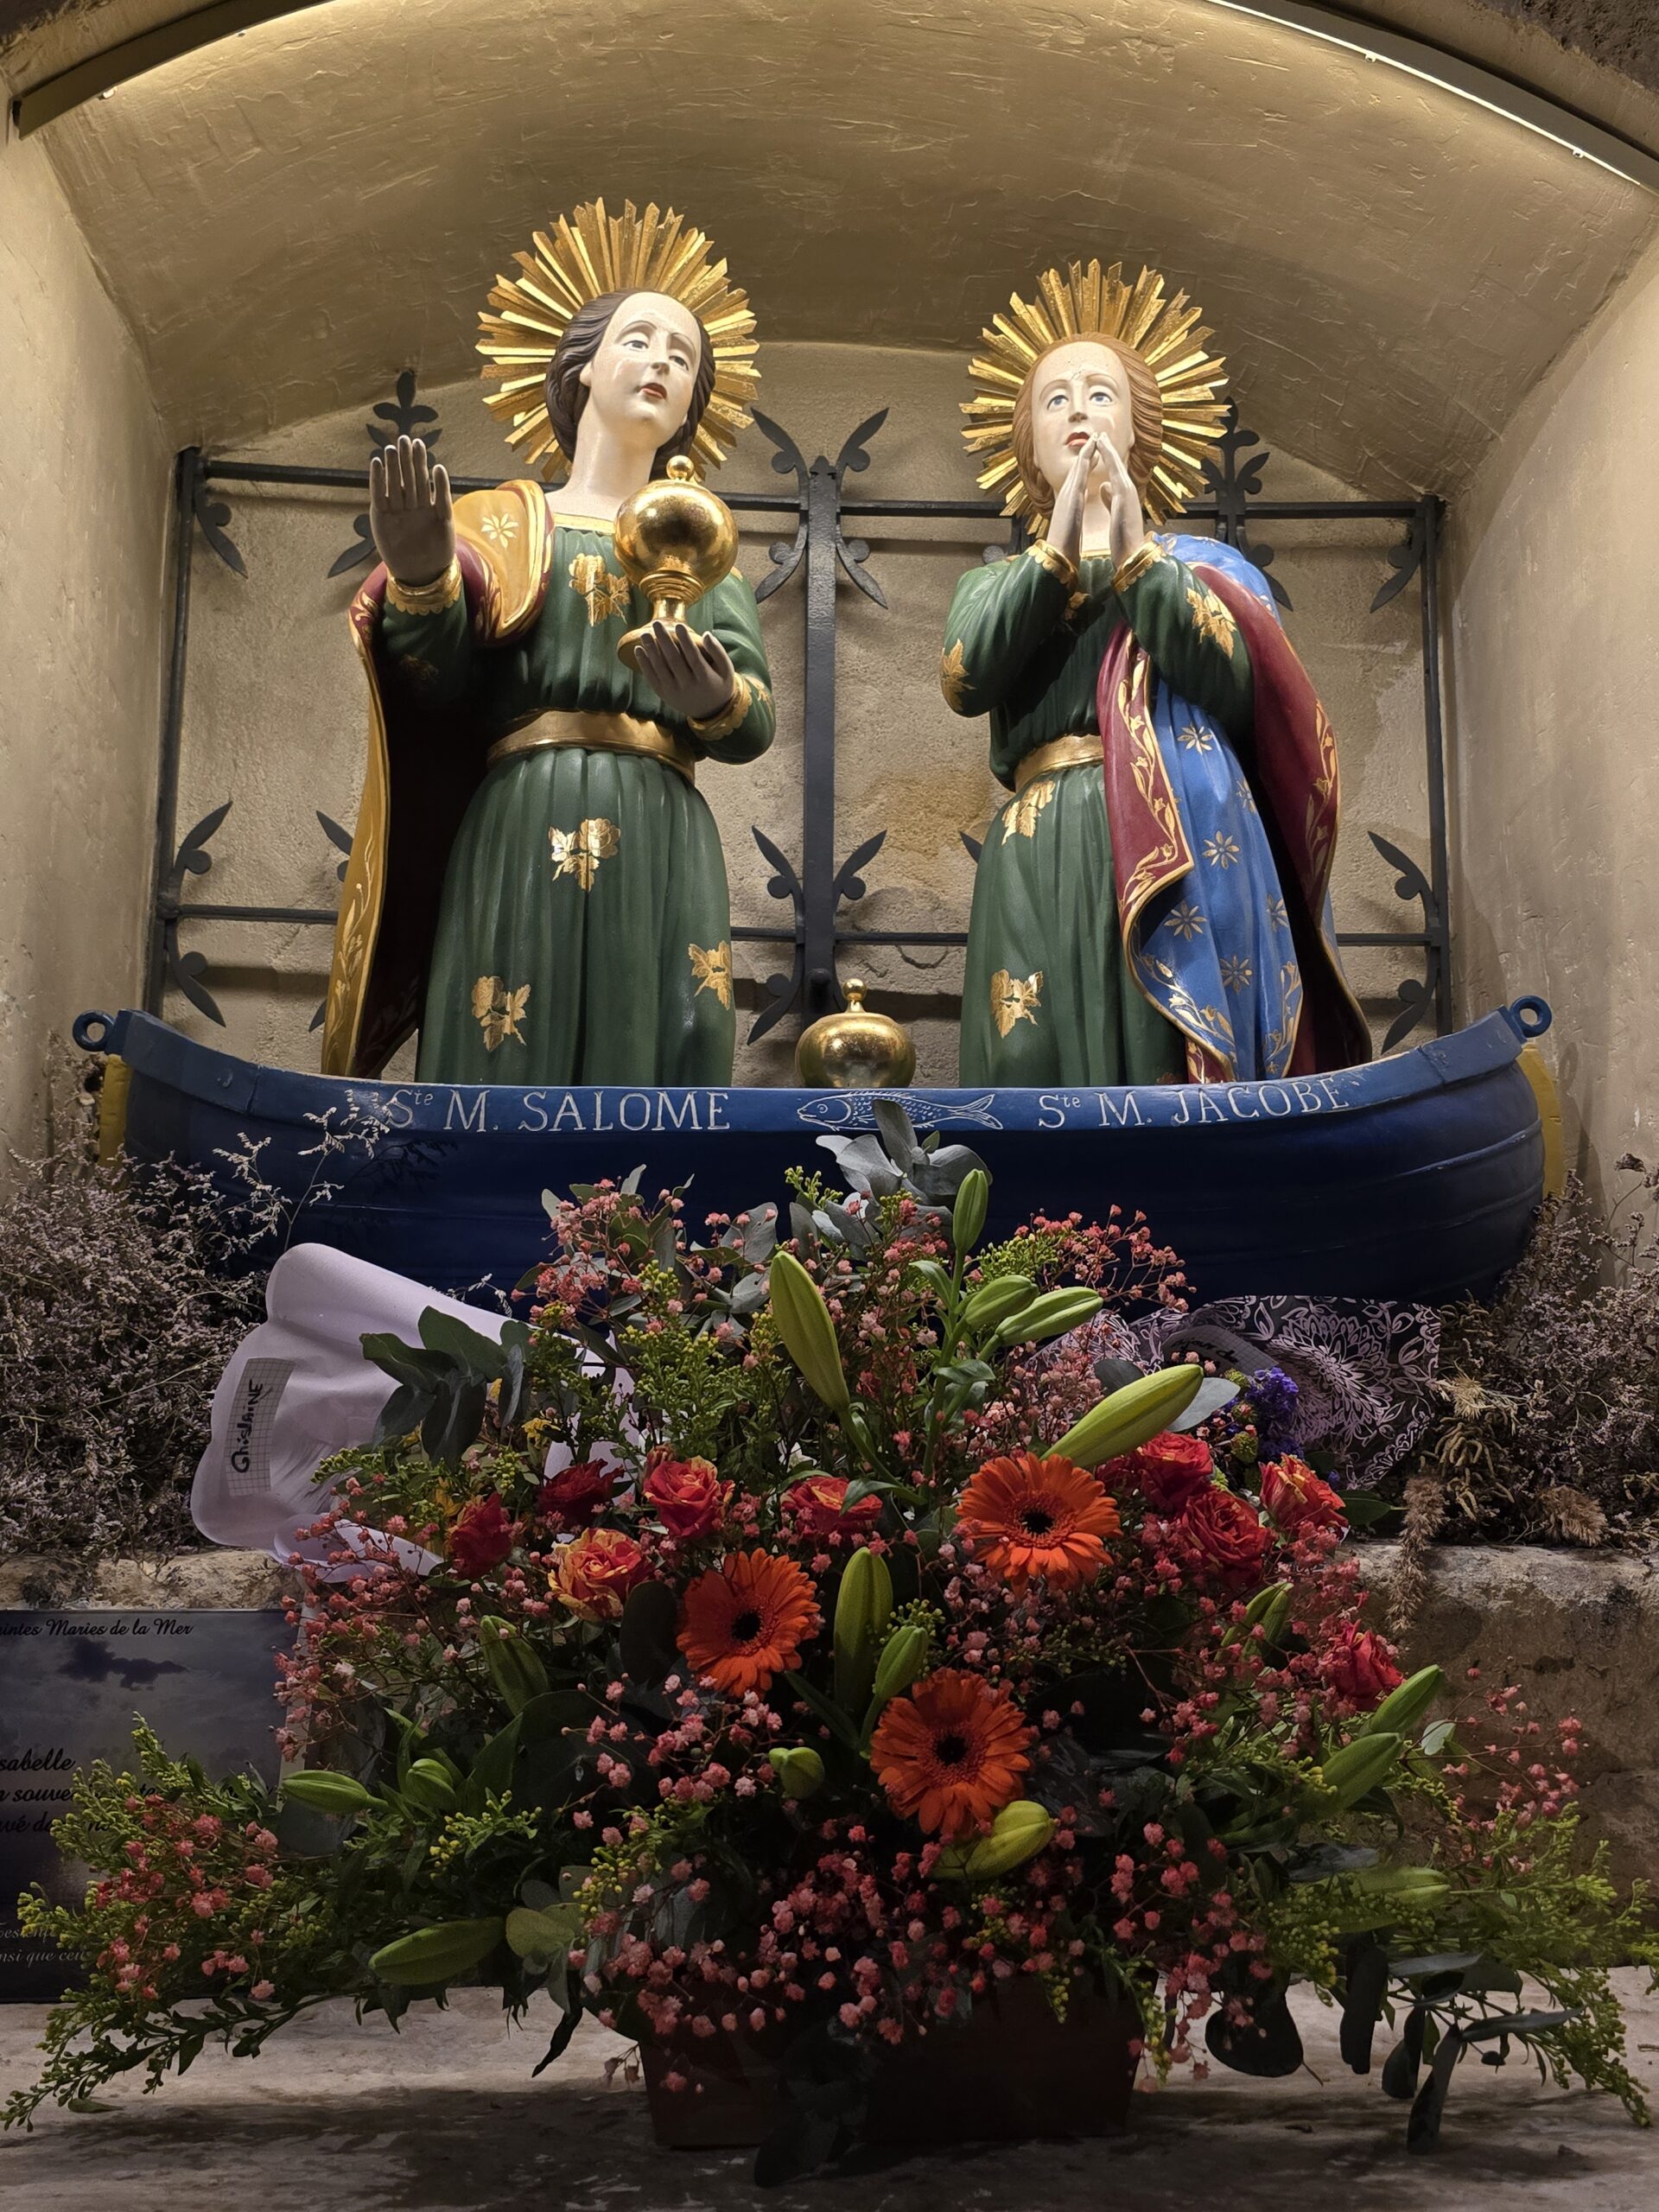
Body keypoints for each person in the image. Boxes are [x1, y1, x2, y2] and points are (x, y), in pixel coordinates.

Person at [321, 200, 773, 1084]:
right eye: (640, 340)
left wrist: (716, 700)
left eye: (684, 357)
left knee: (653, 1045)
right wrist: (423, 579)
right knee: (509, 1037)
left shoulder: (702, 548)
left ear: (693, 403)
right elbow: (434, 685)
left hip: (662, 824)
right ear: (582, 367)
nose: (663, 362)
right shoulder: (500, 526)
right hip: (526, 814)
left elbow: (754, 722)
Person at [944, 258, 1369, 1087]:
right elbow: (966, 679)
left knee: (1153, 1051)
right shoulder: (993, 584)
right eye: (1054, 399)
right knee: (1026, 1057)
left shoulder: (1203, 568)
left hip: (1172, 833)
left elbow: (1240, 688)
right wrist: (1054, 557)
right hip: (1038, 840)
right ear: (1026, 440)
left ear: (1138, 429)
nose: (1077, 410)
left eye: (1099, 393)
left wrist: (1139, 560)